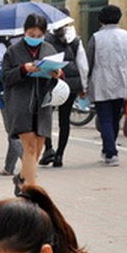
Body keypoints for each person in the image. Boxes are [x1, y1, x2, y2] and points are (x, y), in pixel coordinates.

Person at [1, 13, 60, 191]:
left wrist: (55, 75)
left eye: (39, 35)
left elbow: (56, 77)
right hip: (21, 104)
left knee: (38, 146)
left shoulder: (49, 49)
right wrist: (23, 69)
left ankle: (21, 178)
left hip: (42, 104)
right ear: (24, 32)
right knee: (30, 146)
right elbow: (5, 78)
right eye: (31, 34)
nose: (35, 39)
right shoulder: (13, 51)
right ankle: (30, 189)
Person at [86, 4, 127, 168]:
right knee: (115, 116)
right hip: (122, 81)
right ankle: (108, 148)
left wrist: (84, 84)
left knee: (105, 118)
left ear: (101, 19)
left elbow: (88, 62)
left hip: (102, 81)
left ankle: (111, 152)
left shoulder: (96, 37)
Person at [40, 12, 89, 168]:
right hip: (71, 83)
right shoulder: (75, 39)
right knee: (64, 120)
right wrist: (84, 86)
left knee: (45, 117)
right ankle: (59, 155)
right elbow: (83, 64)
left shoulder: (46, 39)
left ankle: (48, 149)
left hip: (51, 82)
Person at [0, 36, 23, 177]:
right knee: (15, 131)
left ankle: (28, 163)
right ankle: (9, 167)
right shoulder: (22, 46)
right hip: (23, 93)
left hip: (6, 93)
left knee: (12, 132)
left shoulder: (0, 49)